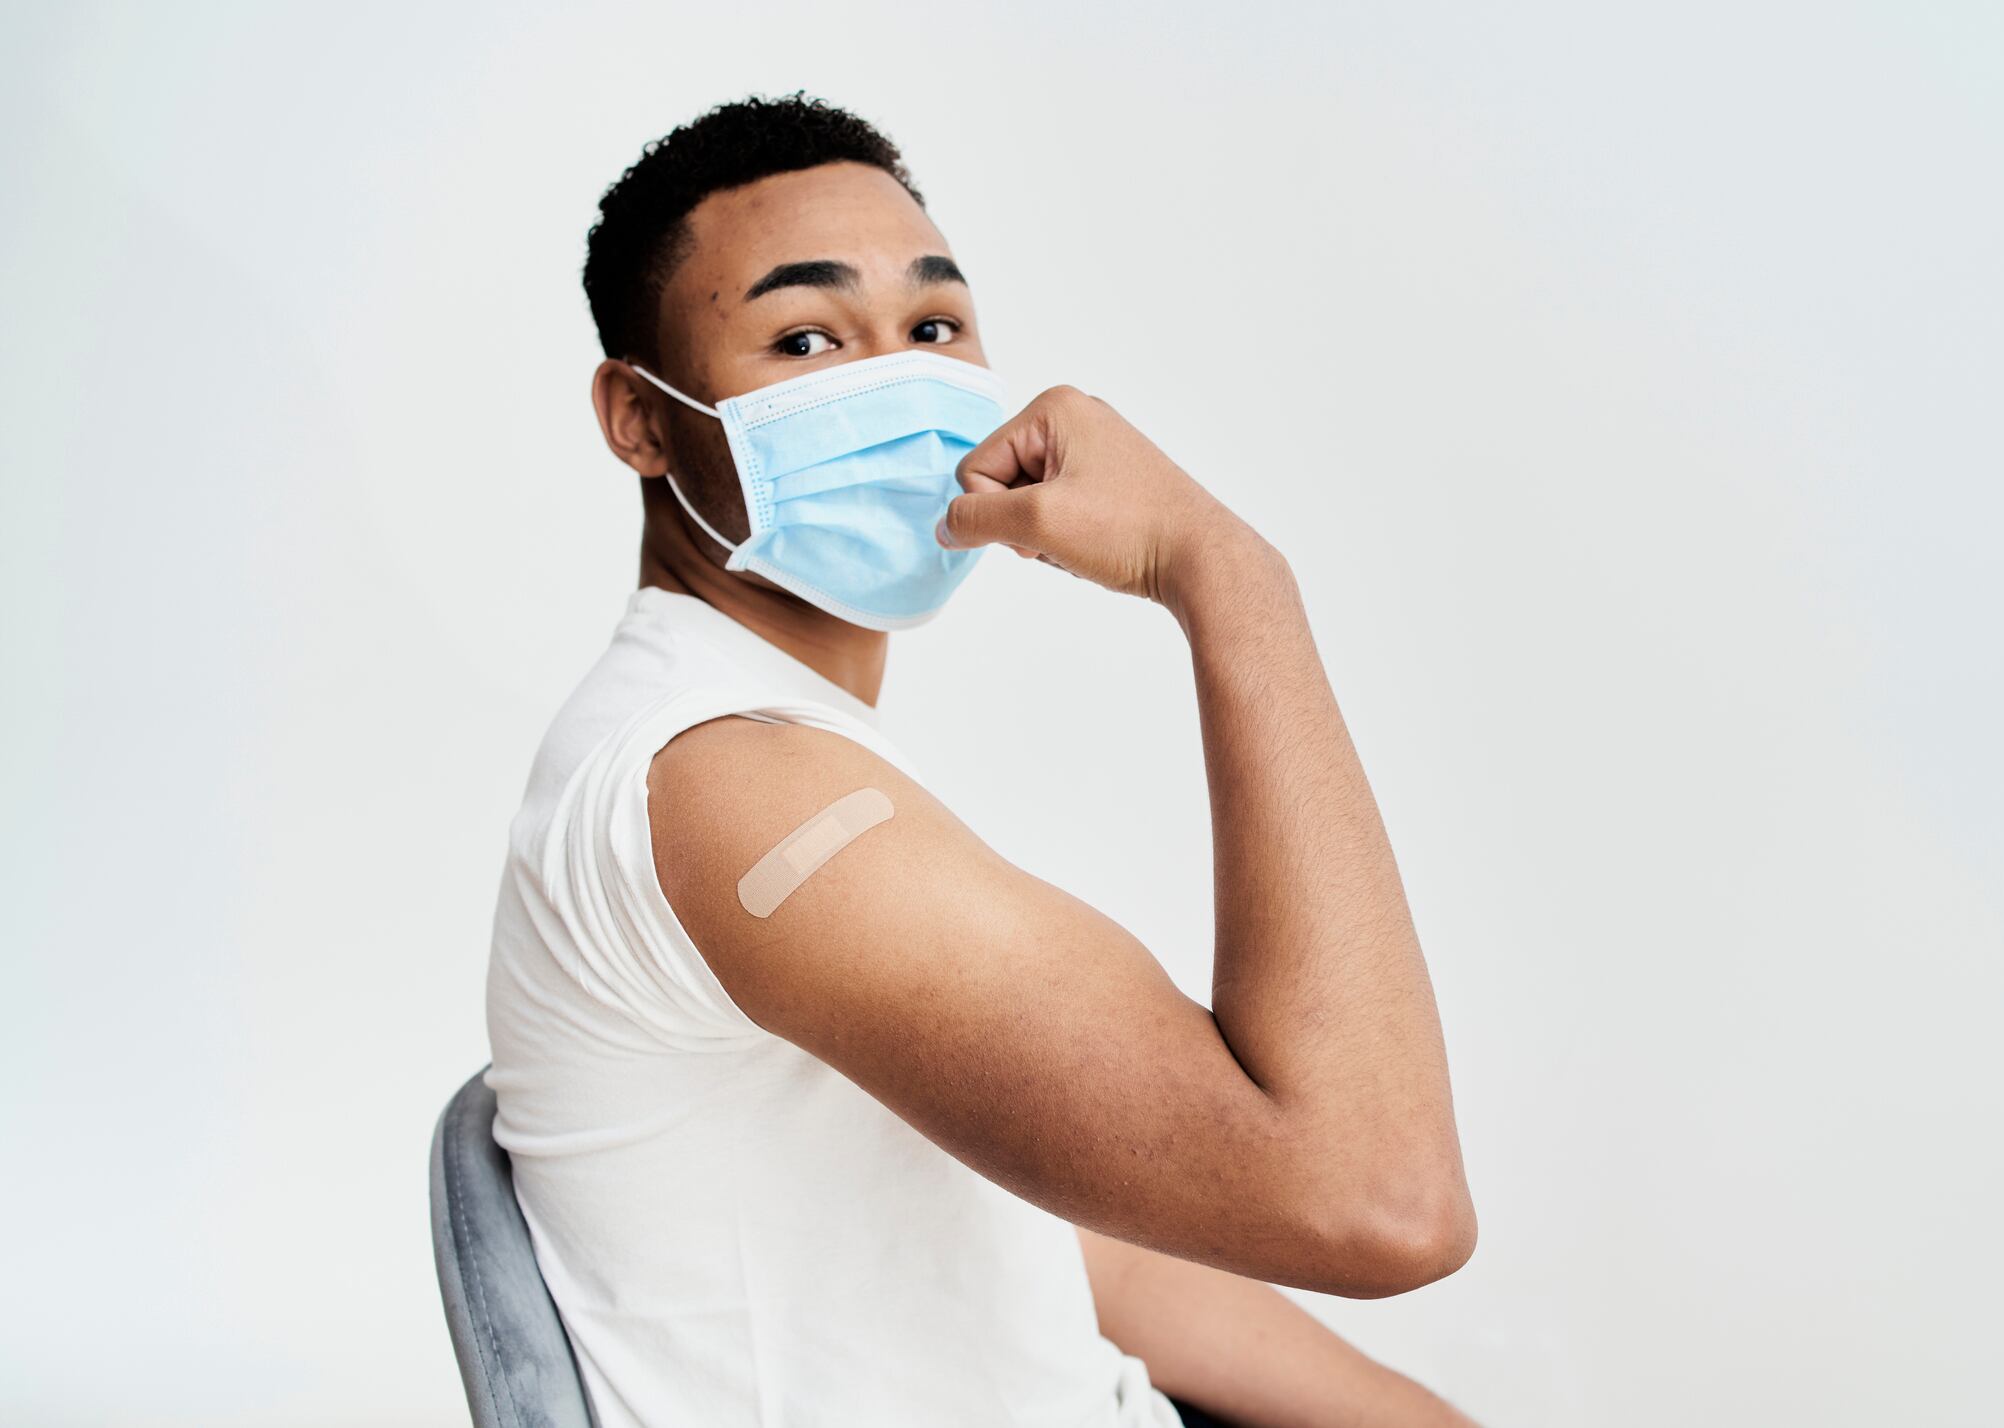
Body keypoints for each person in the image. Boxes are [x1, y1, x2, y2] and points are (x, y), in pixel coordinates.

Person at [485, 90, 1480, 1428]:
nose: (894, 383)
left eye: (933, 328)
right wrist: (1232, 578)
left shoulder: (776, 748)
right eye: (805, 337)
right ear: (642, 419)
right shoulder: (735, 789)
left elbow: (1061, 1221)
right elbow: (1378, 1198)